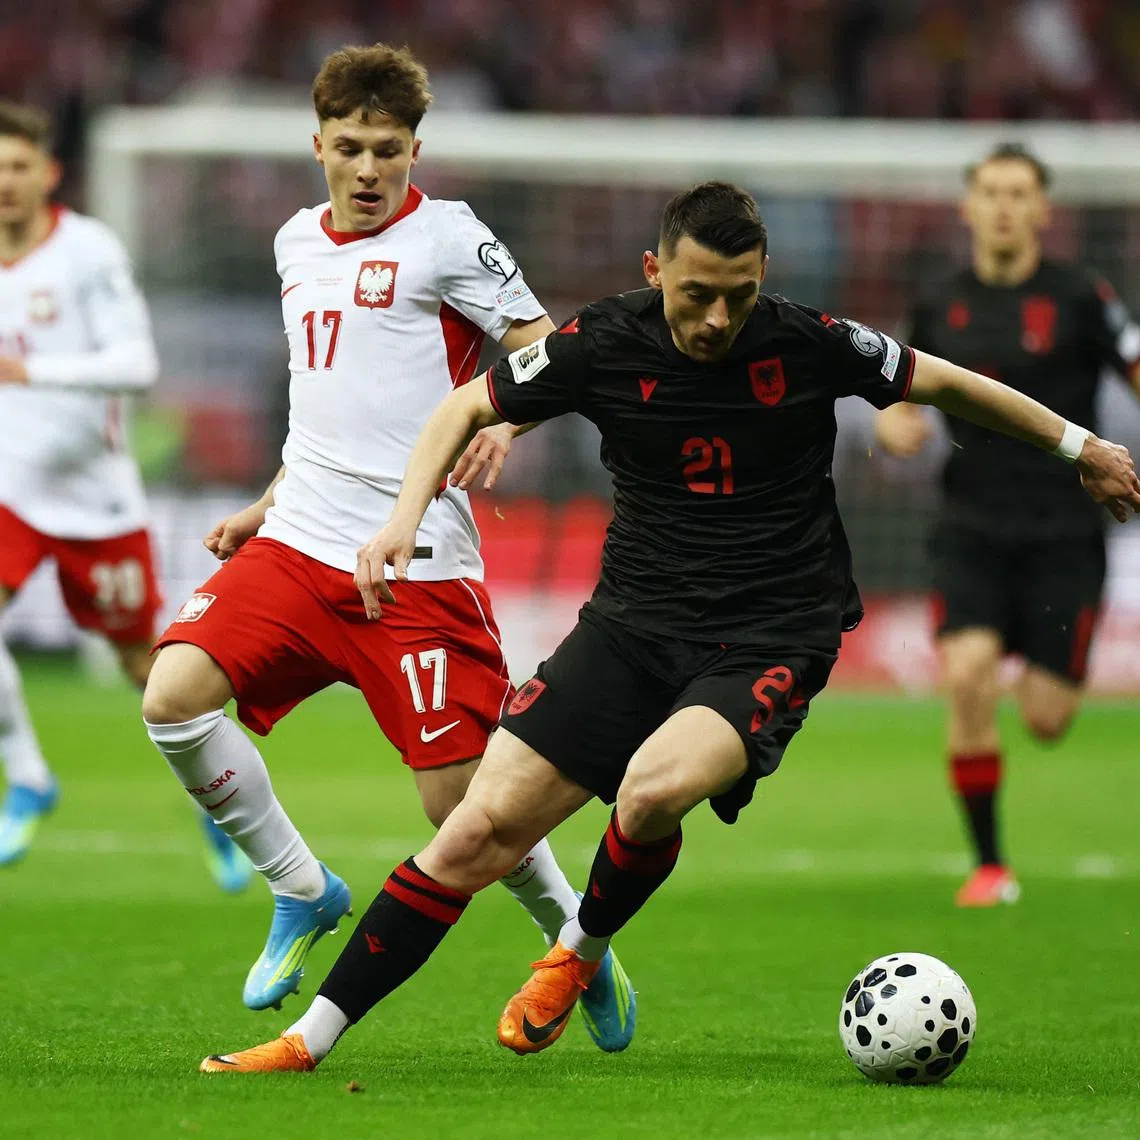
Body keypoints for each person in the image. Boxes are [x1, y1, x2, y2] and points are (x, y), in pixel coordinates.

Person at [198, 181, 1140, 1072]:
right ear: (656, 273)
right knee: (473, 831)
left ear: (762, 277)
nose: (719, 319)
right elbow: (463, 404)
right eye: (698, 295)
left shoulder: (809, 341)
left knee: (650, 793)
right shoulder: (602, 341)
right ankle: (309, 1042)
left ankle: (577, 950)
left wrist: (1082, 446)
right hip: (631, 626)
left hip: (772, 633)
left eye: (739, 295)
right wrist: (402, 518)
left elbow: (948, 385)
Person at [140, 44, 634, 1048]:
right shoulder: (293, 242)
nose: (370, 171)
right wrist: (264, 501)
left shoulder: (450, 235)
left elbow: (550, 349)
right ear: (318, 144)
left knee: (463, 812)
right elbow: (329, 402)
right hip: (298, 541)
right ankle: (301, 886)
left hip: (418, 567)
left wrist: (509, 419)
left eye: (391, 152)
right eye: (353, 149)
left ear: (417, 150)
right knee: (172, 700)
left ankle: (573, 944)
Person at [875, 143, 1140, 907]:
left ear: (1041, 210)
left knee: (1049, 720)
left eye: (1018, 193)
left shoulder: (1083, 297)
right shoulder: (937, 304)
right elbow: (897, 394)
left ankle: (1033, 660)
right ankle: (989, 866)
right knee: (965, 680)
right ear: (968, 207)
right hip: (971, 528)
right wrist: (897, 427)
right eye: (989, 191)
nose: (1002, 206)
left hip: (1065, 534)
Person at [0, 101, 249, 890]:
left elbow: (138, 364)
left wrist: (35, 373)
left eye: (17, 167)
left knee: (149, 670)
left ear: (49, 173)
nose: (4, 183)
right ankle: (30, 776)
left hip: (94, 502)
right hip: (10, 490)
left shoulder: (87, 252)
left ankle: (224, 812)